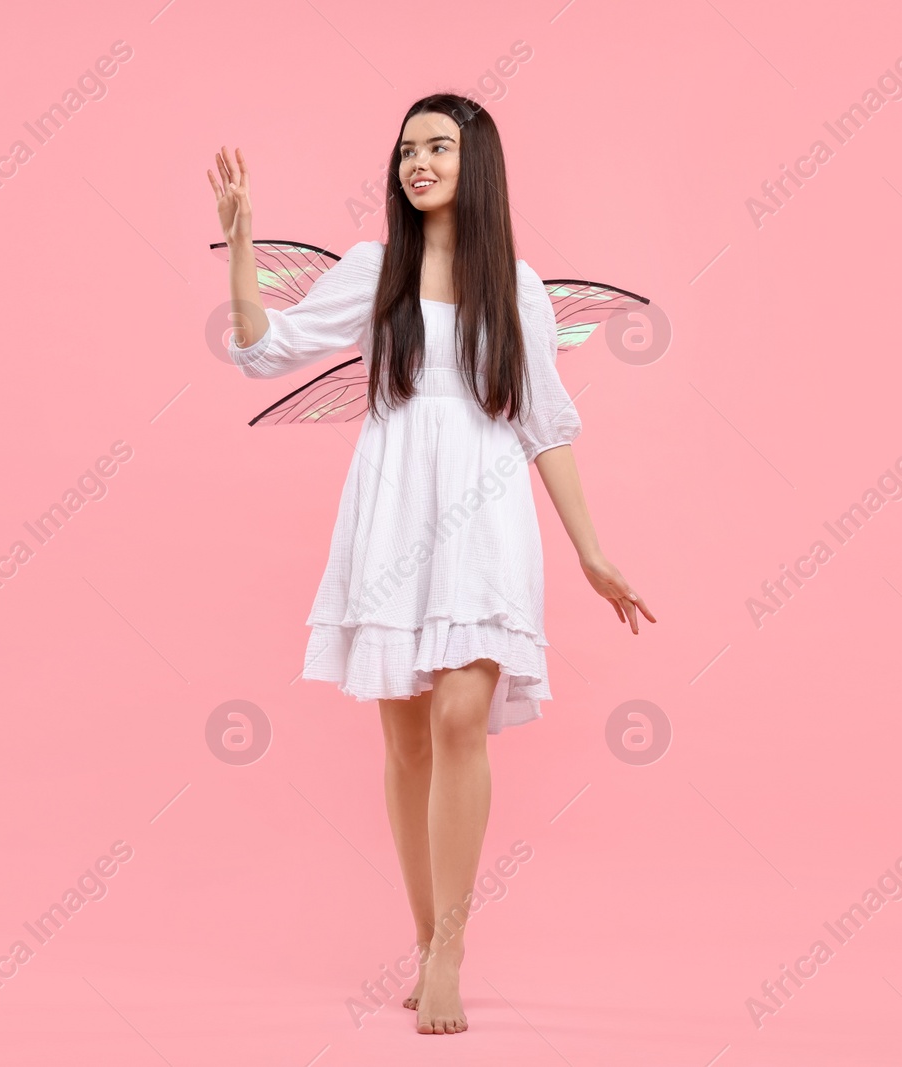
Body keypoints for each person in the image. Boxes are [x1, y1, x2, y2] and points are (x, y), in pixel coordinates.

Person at [209, 93, 656, 1035]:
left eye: (439, 146)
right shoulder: (377, 272)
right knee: (404, 739)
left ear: (476, 162)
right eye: (408, 148)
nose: (418, 161)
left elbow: (547, 425)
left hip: (487, 517)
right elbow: (261, 350)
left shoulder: (520, 289)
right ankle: (423, 939)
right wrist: (243, 246)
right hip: (393, 512)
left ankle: (450, 948)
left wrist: (593, 552)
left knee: (460, 715)